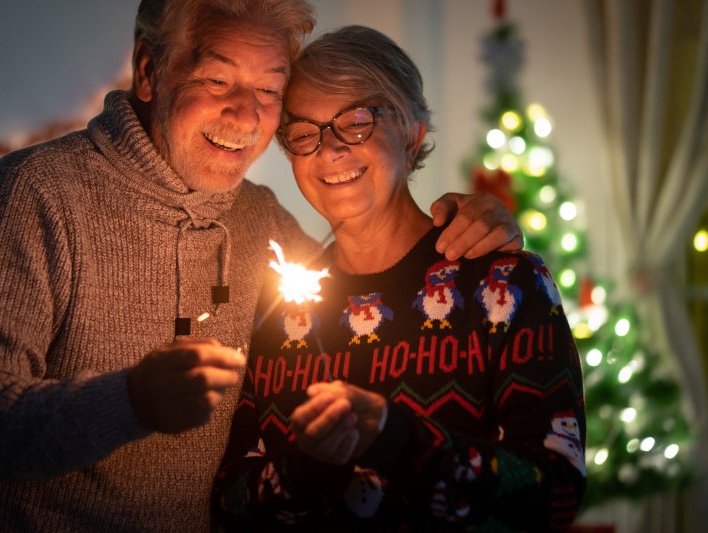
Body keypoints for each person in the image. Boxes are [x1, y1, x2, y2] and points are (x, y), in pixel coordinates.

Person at [0, 2, 522, 532]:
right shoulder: (34, 194)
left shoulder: (262, 223)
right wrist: (130, 401)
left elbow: (360, 277)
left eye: (268, 91)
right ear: (151, 71)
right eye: (216, 78)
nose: (245, 114)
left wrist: (479, 220)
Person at [212, 25, 586, 531]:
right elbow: (230, 504)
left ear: (412, 134)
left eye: (357, 121)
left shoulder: (504, 284)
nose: (330, 150)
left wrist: (393, 437)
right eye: (304, 132)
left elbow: (555, 491)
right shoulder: (280, 311)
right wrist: (309, 465)